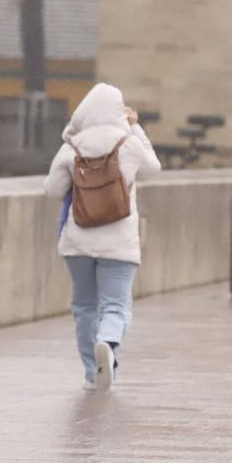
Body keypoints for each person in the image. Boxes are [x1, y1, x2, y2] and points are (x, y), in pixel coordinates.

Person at [43, 83, 162, 391]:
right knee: (116, 307)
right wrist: (136, 129)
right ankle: (108, 343)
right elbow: (153, 169)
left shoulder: (72, 147)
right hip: (119, 242)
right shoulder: (128, 144)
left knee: (84, 307)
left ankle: (90, 373)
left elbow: (52, 190)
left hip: (78, 240)